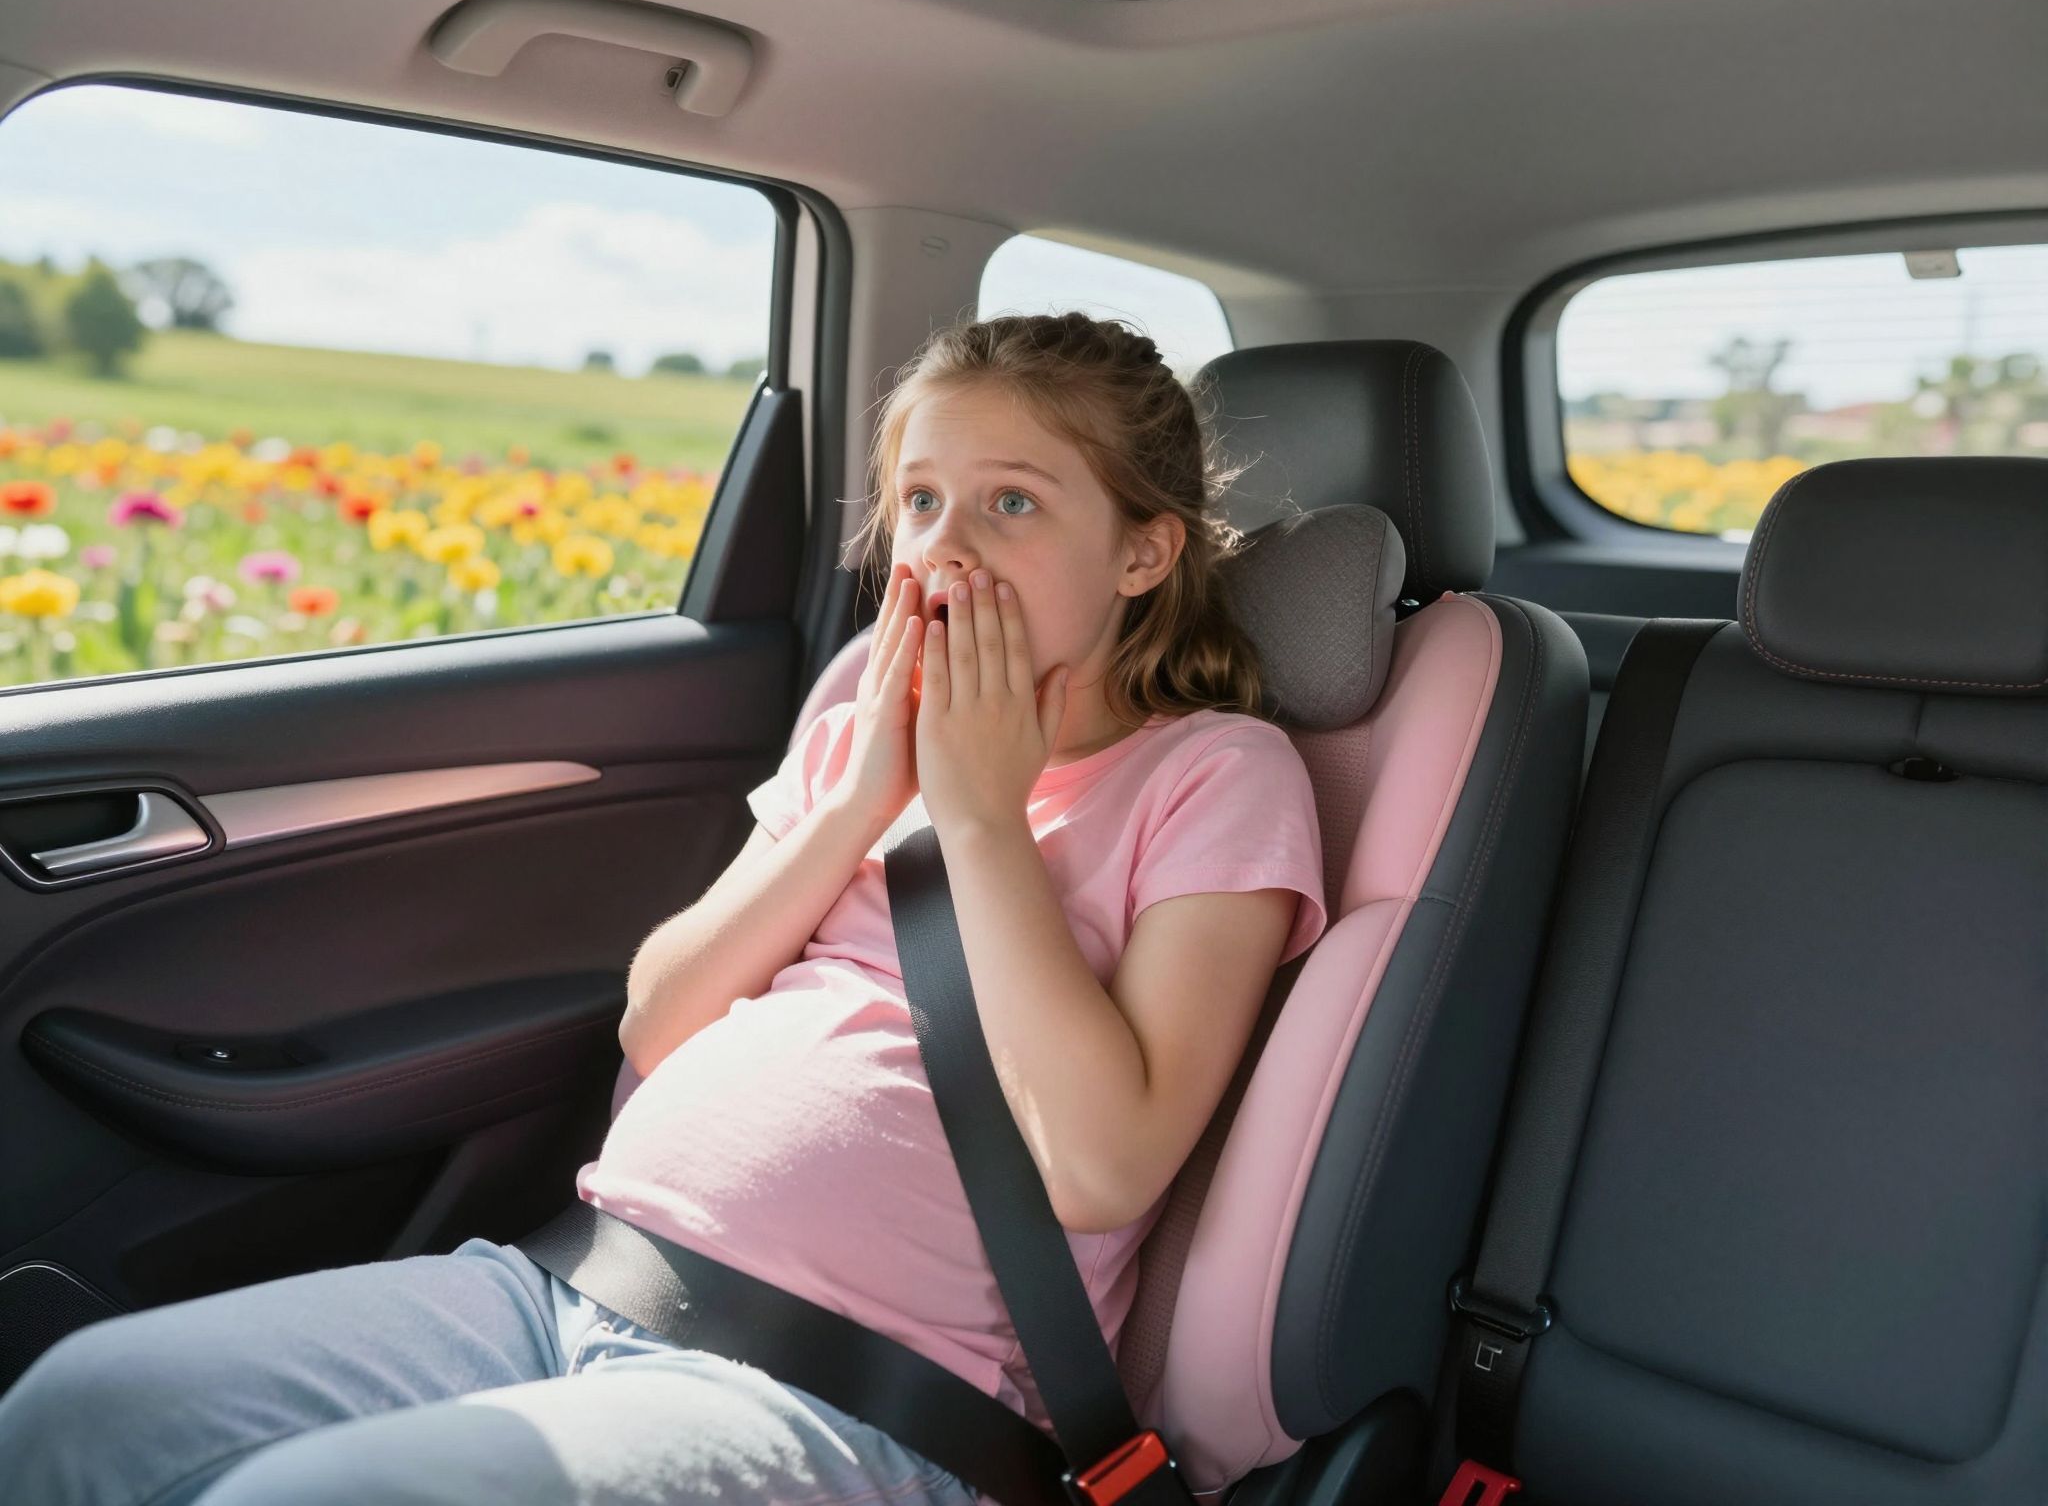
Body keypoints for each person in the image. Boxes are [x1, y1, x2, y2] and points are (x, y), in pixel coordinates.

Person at [0, 312, 1329, 1506]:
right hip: (575, 1277)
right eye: (921, 500)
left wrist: (979, 818)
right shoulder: (865, 726)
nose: (946, 547)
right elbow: (660, 1022)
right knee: (81, 1409)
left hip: (860, 1385)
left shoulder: (1214, 773)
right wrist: (861, 802)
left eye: (1014, 503)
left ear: (1143, 552)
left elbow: (1103, 1167)